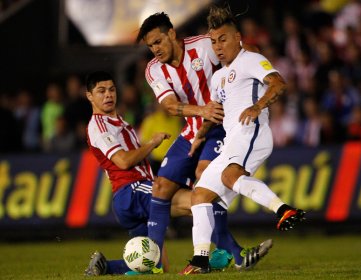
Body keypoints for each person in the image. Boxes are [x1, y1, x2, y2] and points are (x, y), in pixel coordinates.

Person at [137, 12, 271, 271]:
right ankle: (152, 263)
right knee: (161, 187)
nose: (155, 50)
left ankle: (226, 256)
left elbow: (247, 50)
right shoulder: (154, 69)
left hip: (222, 126)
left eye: (158, 42)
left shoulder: (203, 45)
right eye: (150, 46)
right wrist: (202, 111)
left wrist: (249, 68)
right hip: (193, 129)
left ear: (172, 34)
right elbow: (170, 105)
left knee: (204, 175)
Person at [180, 5, 305, 274]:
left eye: (223, 39)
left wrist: (258, 106)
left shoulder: (249, 58)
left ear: (237, 37)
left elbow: (278, 83)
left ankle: (282, 209)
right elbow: (214, 113)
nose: (218, 47)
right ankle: (200, 259)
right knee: (199, 195)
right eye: (213, 42)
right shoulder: (218, 77)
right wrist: (199, 136)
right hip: (231, 141)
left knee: (229, 176)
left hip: (252, 131)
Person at [83, 71, 191, 275]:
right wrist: (152, 142)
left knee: (156, 266)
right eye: (101, 91)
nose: (108, 95)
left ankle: (106, 267)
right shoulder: (98, 125)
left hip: (127, 197)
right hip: (132, 190)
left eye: (112, 90)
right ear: (89, 96)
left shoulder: (119, 121)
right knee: (196, 202)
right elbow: (123, 162)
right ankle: (220, 255)